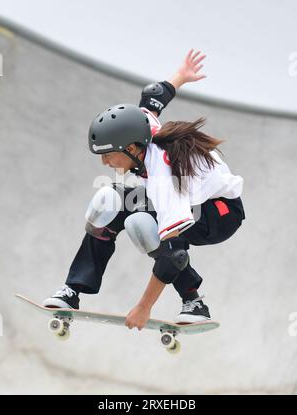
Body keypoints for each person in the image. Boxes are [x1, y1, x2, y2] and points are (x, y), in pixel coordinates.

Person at [43, 49, 245, 329]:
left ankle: (194, 302)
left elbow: (174, 252)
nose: (105, 162)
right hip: (195, 201)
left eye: (110, 154)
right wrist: (181, 76)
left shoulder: (165, 176)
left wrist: (143, 307)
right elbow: (154, 96)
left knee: (144, 225)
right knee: (109, 200)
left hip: (220, 213)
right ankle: (72, 290)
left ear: (133, 148)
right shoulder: (141, 125)